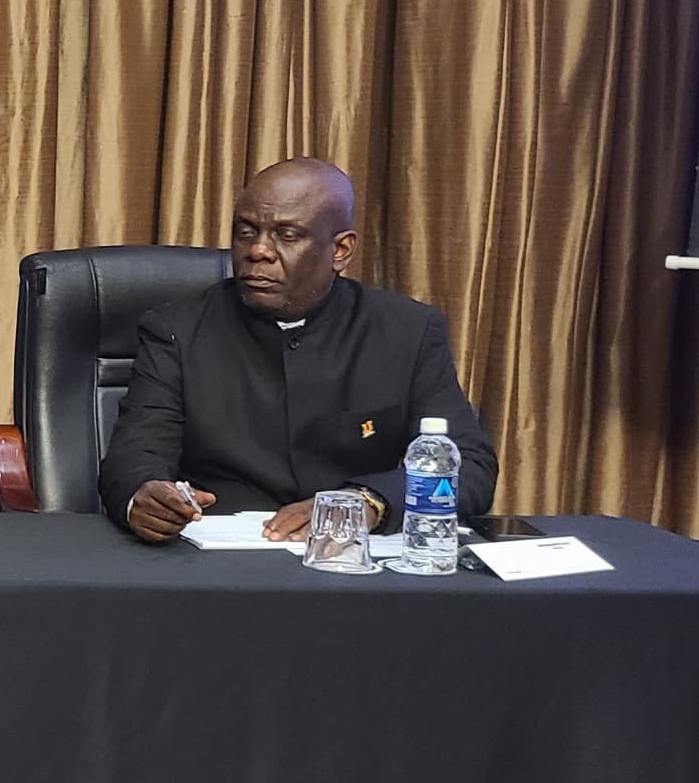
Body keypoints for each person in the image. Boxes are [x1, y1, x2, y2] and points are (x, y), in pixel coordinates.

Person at [100, 157, 498, 543]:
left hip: (349, 560)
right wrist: (144, 496)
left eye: (286, 235)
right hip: (217, 560)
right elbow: (135, 455)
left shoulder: (406, 331)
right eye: (245, 232)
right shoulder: (176, 329)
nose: (258, 251)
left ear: (340, 250)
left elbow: (469, 465)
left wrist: (368, 502)